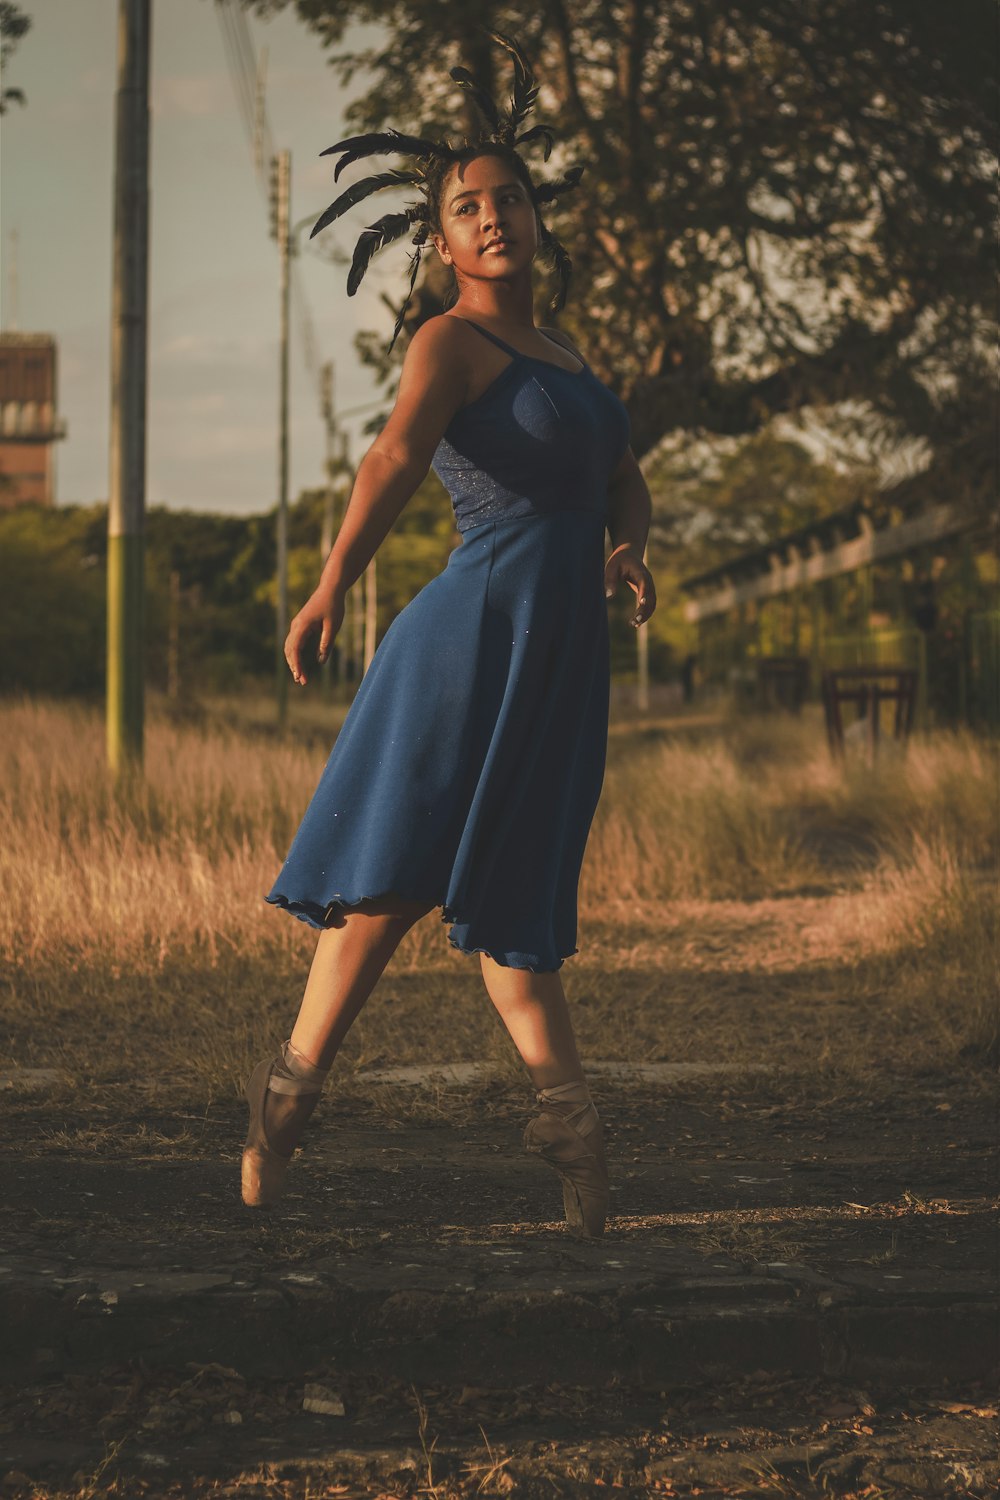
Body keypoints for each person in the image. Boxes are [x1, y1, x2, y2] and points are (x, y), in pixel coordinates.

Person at [242, 32, 658, 1239]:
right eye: (466, 208)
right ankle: (287, 1096)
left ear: (536, 217)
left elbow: (623, 481)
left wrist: (628, 547)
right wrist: (328, 590)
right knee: (390, 886)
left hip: (560, 649)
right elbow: (392, 459)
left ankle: (570, 1130)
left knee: (516, 889)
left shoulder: (568, 357)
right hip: (468, 637)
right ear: (440, 242)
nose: (492, 218)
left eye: (508, 198)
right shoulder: (449, 342)